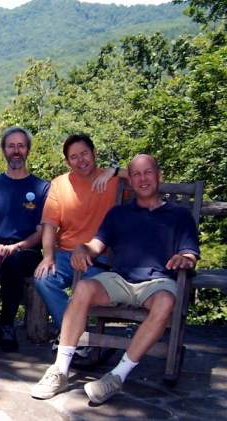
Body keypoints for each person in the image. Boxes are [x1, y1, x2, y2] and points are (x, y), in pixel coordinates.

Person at [32, 154, 199, 404]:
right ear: (130, 180)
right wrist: (82, 249)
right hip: (120, 279)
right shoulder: (118, 213)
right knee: (84, 288)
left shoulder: (179, 215)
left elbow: (189, 253)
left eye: (148, 173)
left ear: (159, 175)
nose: (142, 179)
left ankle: (116, 376)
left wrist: (184, 259)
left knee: (165, 302)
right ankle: (60, 370)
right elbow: (96, 245)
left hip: (157, 282)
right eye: (137, 174)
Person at [33, 134, 121, 332]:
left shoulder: (112, 181)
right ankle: (75, 335)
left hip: (100, 256)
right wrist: (48, 257)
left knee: (89, 291)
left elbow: (150, 177)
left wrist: (114, 171)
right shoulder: (59, 184)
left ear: (94, 153)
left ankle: (71, 338)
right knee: (43, 280)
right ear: (67, 161)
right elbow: (49, 224)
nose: (81, 160)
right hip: (66, 255)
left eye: (85, 154)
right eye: (74, 157)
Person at [0, 127, 49, 352]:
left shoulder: (42, 187)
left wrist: (16, 247)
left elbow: (41, 232)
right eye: (11, 146)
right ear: (4, 150)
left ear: (27, 150)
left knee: (14, 263)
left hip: (27, 250)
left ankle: (7, 324)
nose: (16, 151)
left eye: (20, 146)